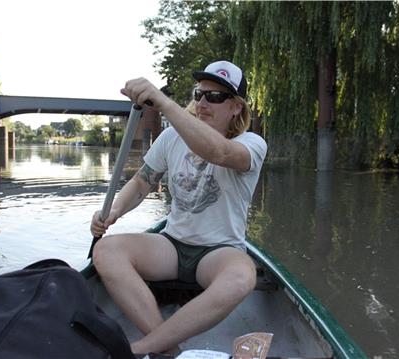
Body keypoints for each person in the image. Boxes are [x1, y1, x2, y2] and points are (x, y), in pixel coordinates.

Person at [90, 60, 267, 355]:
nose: (202, 102)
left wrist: (161, 101)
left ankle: (143, 347)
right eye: (199, 94)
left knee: (241, 277)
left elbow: (219, 152)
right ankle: (170, 348)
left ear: (236, 107)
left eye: (215, 97)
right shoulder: (171, 137)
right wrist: (114, 212)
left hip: (219, 251)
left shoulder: (251, 143)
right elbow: (141, 183)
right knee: (106, 250)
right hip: (172, 245)